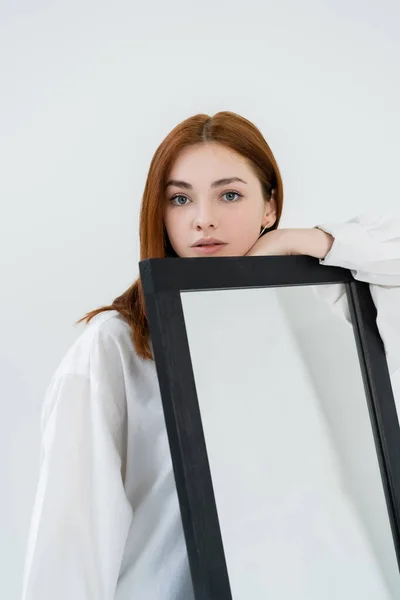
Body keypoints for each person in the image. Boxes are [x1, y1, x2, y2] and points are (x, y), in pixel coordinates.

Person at [21, 111, 400, 599]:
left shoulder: (316, 317)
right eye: (180, 198)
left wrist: (302, 241)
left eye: (230, 194)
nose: (203, 218)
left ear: (270, 205)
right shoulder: (115, 345)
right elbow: (71, 538)